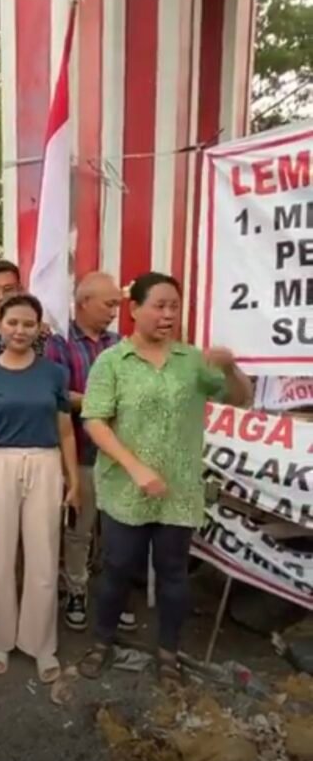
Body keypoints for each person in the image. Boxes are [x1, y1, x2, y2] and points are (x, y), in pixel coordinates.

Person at [79, 272, 253, 685]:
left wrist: (229, 368)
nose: (168, 314)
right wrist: (135, 467)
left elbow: (239, 398)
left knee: (174, 572)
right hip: (125, 490)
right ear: (135, 309)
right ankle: (102, 641)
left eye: (174, 306)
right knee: (118, 568)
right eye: (159, 306)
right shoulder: (112, 362)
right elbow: (94, 420)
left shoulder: (192, 361)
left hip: (178, 490)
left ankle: (168, 653)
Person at [0, 294, 79, 683]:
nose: (20, 330)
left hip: (45, 463)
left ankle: (40, 642)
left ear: (38, 328)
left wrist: (73, 481)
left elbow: (66, 430)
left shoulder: (54, 374)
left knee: (44, 556)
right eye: (13, 322)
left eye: (28, 324)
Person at [45, 272, 122, 631]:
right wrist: (106, 403)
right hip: (80, 453)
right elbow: (59, 395)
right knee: (80, 529)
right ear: (84, 302)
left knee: (120, 531)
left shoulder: (120, 344)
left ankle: (116, 594)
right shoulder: (59, 344)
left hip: (120, 455)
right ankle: (77, 589)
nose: (114, 312)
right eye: (109, 304)